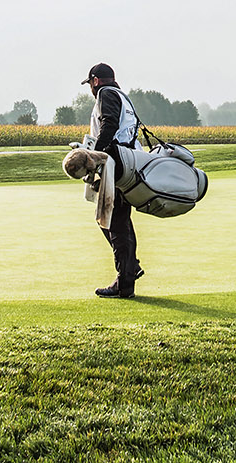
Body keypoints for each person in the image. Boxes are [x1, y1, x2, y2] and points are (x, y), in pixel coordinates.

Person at [82, 63, 144, 298]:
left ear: (95, 80)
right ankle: (130, 269)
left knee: (112, 221)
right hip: (130, 161)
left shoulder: (105, 94)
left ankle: (124, 282)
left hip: (115, 163)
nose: (90, 87)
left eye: (90, 83)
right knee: (120, 221)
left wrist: (93, 156)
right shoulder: (122, 95)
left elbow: (109, 125)